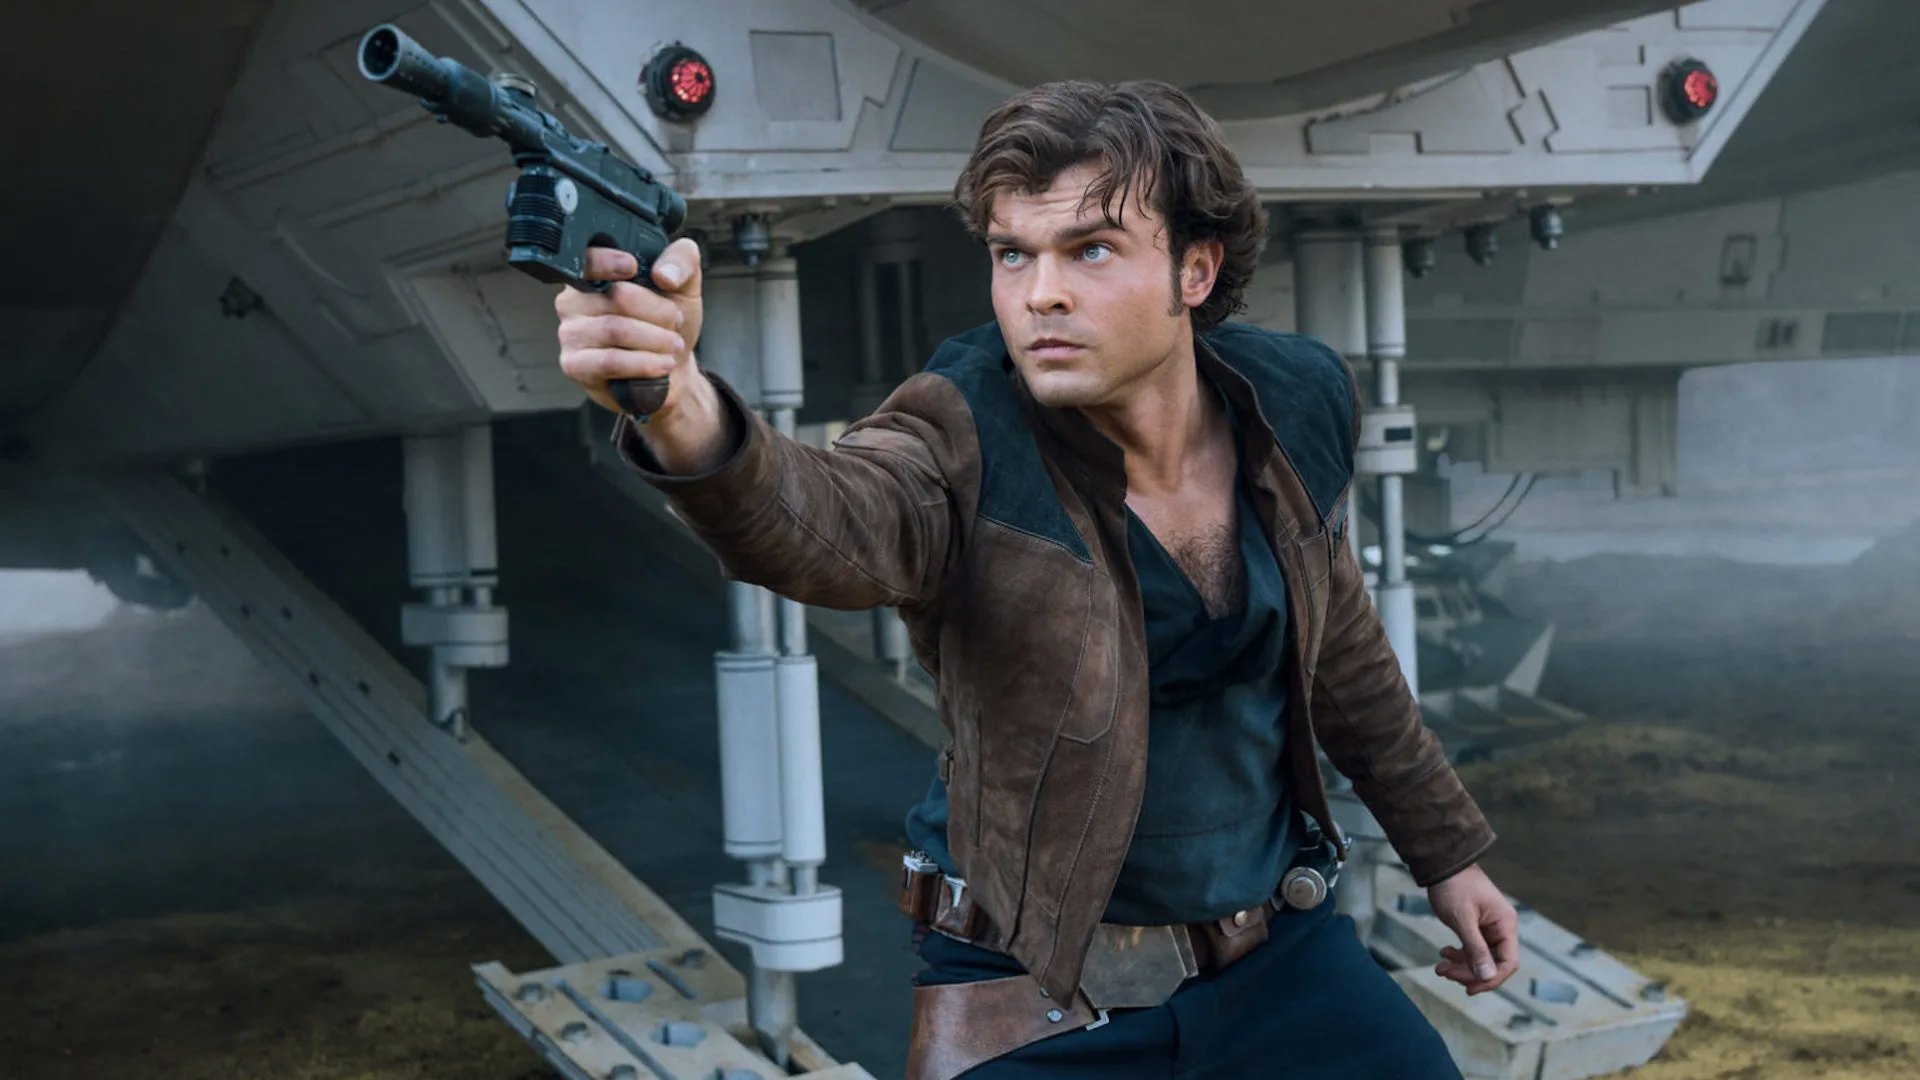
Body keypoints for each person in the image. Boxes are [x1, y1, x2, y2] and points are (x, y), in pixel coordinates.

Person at [555, 79, 1518, 1080]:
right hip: (1036, 995)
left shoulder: (1292, 398)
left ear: (1195, 270)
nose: (1039, 294)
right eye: (1013, 253)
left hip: (1278, 955)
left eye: (1090, 250)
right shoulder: (958, 431)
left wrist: (1445, 852)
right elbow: (825, 519)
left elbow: (1341, 648)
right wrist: (677, 407)